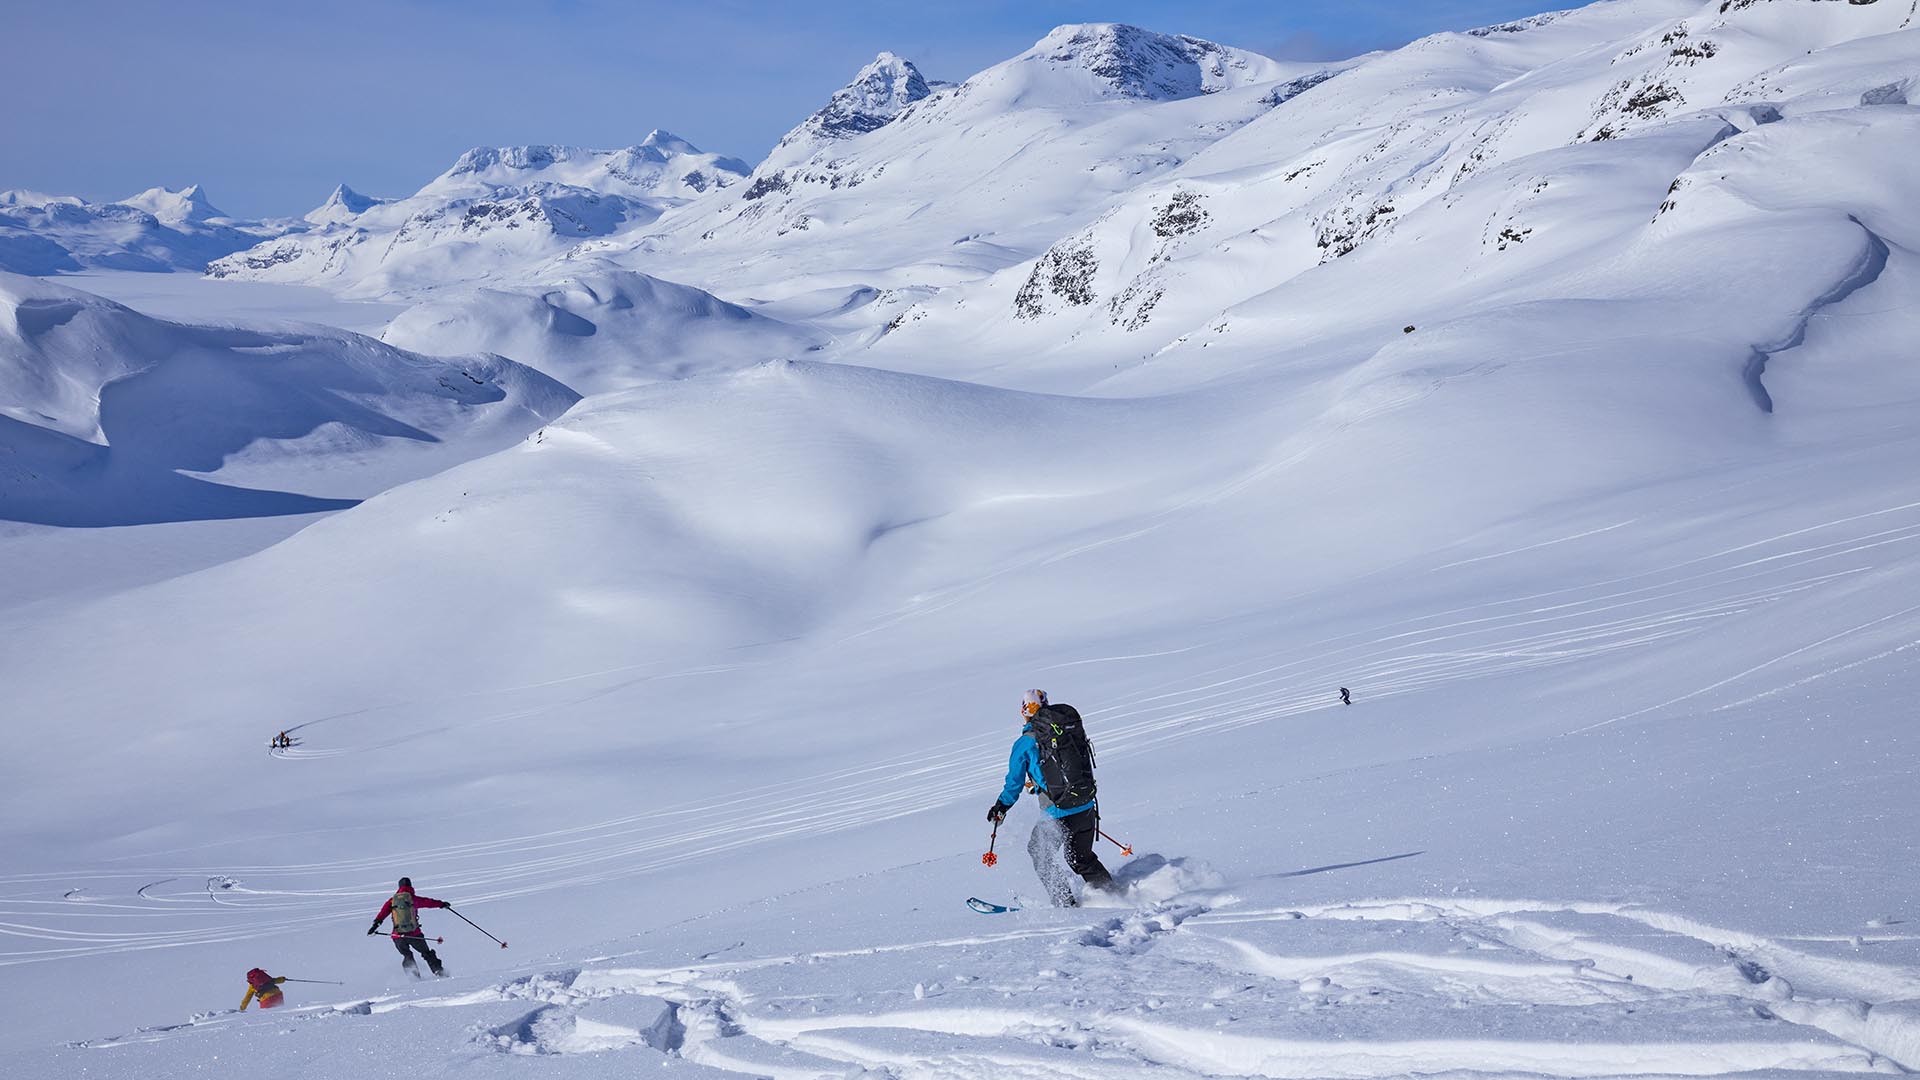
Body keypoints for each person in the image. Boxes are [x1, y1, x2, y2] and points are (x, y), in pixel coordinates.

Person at [987, 689, 1116, 907]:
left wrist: (1001, 807)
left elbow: (1014, 783)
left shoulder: (1025, 743)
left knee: (1040, 854)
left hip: (1057, 813)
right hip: (1085, 804)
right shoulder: (1066, 730)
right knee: (1080, 858)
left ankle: (1064, 904)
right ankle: (1115, 895)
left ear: (1024, 711)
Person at [367, 876, 449, 976]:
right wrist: (442, 904)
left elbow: (382, 914)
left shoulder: (392, 901)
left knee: (407, 955)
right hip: (415, 934)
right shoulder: (413, 899)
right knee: (426, 953)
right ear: (410, 886)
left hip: (398, 936)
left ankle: (413, 976)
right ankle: (439, 972)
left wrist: (374, 926)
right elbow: (429, 902)